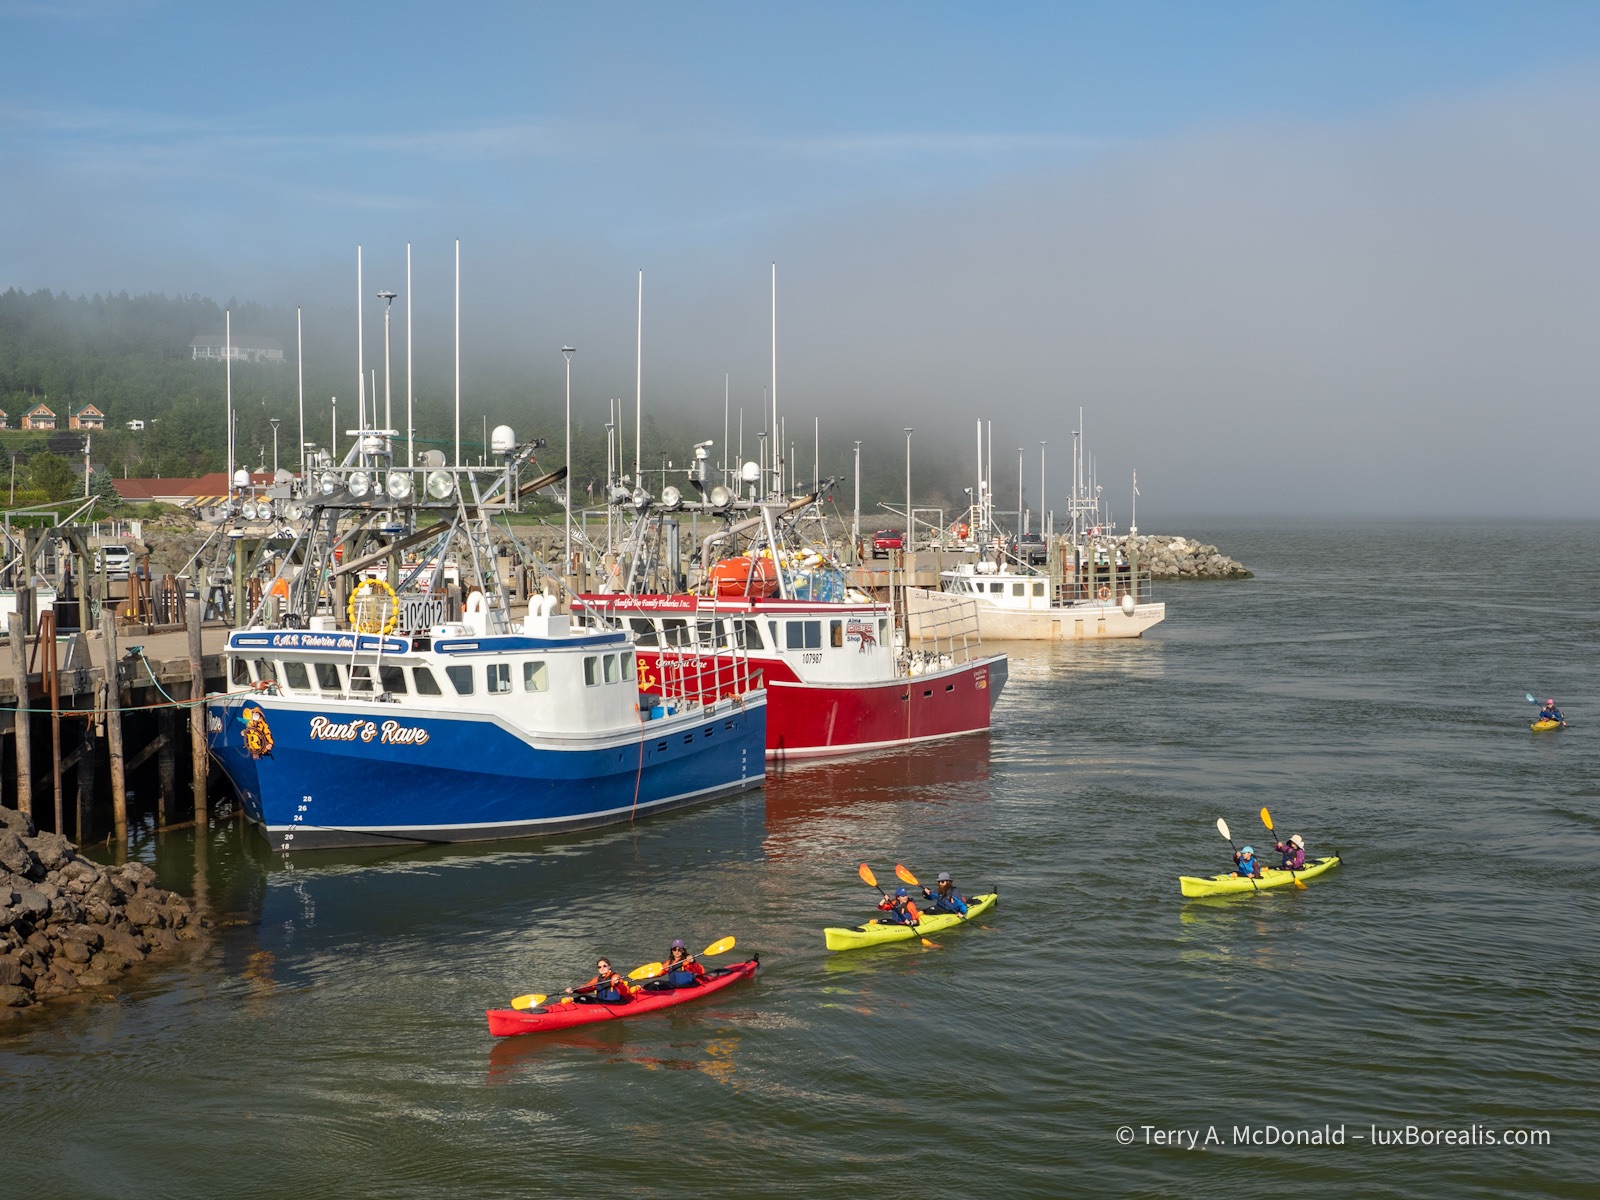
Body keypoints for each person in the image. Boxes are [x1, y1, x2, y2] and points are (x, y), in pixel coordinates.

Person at [564, 957, 632, 1005]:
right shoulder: (597, 979)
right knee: (582, 998)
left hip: (615, 1003)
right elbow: (587, 987)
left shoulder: (615, 977)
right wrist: (574, 990)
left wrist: (618, 983)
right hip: (601, 1002)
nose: (602, 968)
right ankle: (573, 1001)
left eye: (604, 966)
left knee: (585, 998)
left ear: (609, 967)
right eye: (599, 967)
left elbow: (625, 991)